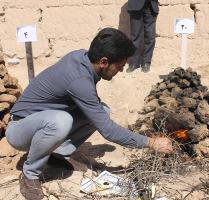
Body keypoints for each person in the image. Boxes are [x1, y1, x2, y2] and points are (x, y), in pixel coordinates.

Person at [5, 28, 173, 200]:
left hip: (40, 121)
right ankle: (30, 174)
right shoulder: (79, 80)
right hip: (19, 129)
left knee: (102, 110)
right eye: (120, 66)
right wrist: (151, 142)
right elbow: (108, 131)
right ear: (104, 62)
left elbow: (95, 111)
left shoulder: (82, 57)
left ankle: (55, 154)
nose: (121, 71)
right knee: (61, 121)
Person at [126, 0, 159, 73]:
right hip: (135, 5)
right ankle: (134, 62)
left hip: (151, 5)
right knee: (135, 36)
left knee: (150, 36)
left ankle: (146, 62)